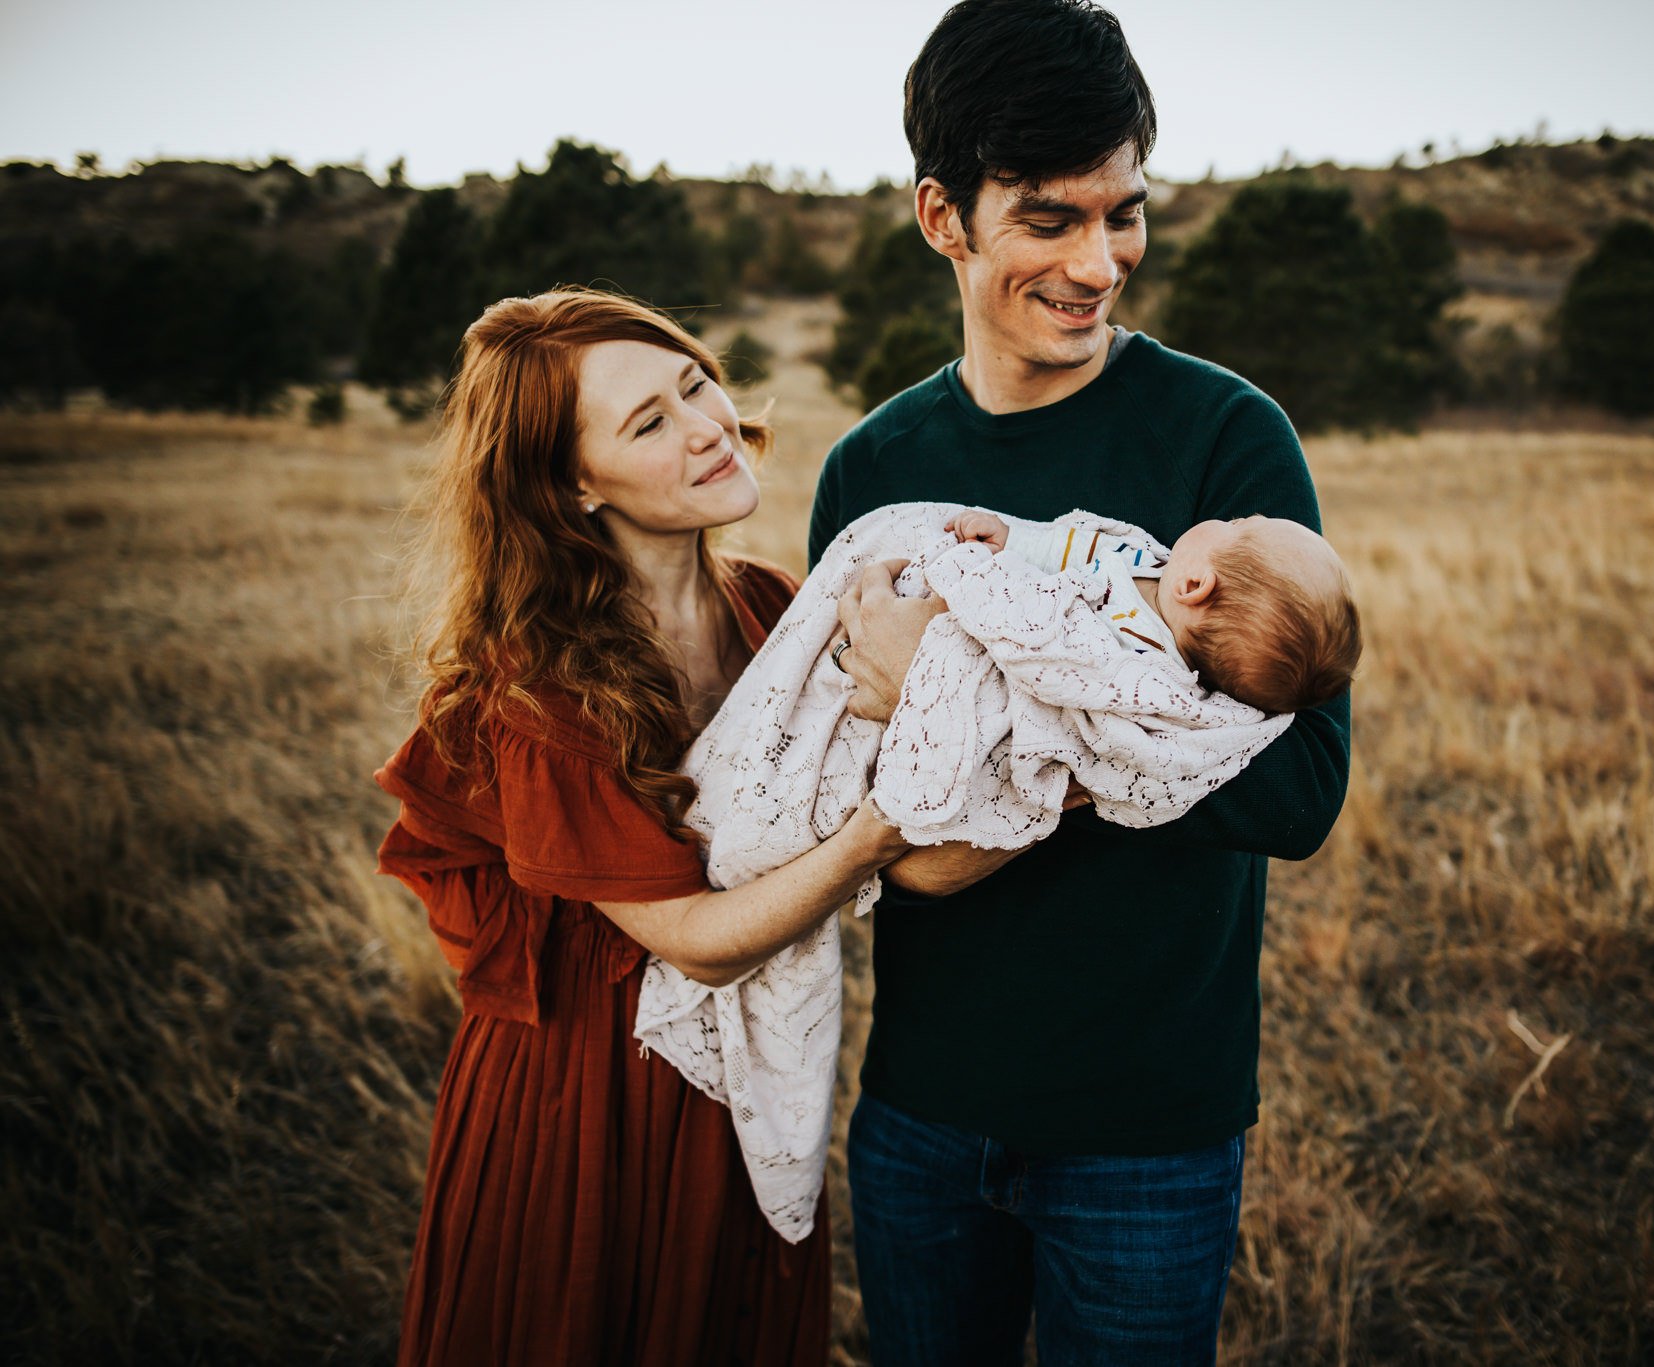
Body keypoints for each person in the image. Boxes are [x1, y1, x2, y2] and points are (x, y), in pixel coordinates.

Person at [815, 1, 1353, 1361]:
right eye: (1051, 219)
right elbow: (850, 789)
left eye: (1126, 214)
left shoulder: (1227, 439)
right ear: (944, 217)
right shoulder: (870, 473)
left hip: (1148, 1124)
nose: (1101, 261)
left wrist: (1001, 730)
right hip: (924, 1103)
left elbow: (1297, 785)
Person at [371, 288, 975, 1367]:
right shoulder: (541, 681)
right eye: (646, 421)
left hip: (753, 1078)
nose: (704, 423)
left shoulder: (773, 610)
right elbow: (694, 939)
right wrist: (875, 832)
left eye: (695, 381)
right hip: (584, 1095)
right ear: (570, 484)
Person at [945, 506, 1361, 714]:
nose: (1226, 519)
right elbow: (1073, 548)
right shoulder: (1149, 563)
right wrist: (1012, 540)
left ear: (1194, 586)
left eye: (1235, 526)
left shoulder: (1139, 663)